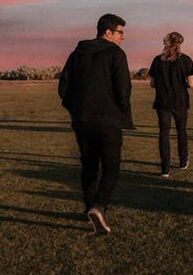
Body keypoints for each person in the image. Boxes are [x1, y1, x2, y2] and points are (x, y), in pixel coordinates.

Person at [58, 13, 134, 235]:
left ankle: (89, 209)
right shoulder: (116, 54)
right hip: (108, 121)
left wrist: (76, 109)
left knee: (89, 166)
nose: (123, 37)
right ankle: (99, 207)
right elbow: (123, 90)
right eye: (120, 32)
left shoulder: (77, 54)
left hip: (82, 121)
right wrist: (120, 110)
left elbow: (64, 87)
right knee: (112, 167)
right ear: (108, 32)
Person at [149, 31, 193, 178]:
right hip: (180, 100)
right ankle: (183, 162)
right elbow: (191, 83)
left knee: (164, 133)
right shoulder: (186, 60)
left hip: (163, 101)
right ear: (179, 44)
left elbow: (152, 83)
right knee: (181, 131)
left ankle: (165, 169)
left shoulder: (157, 60)